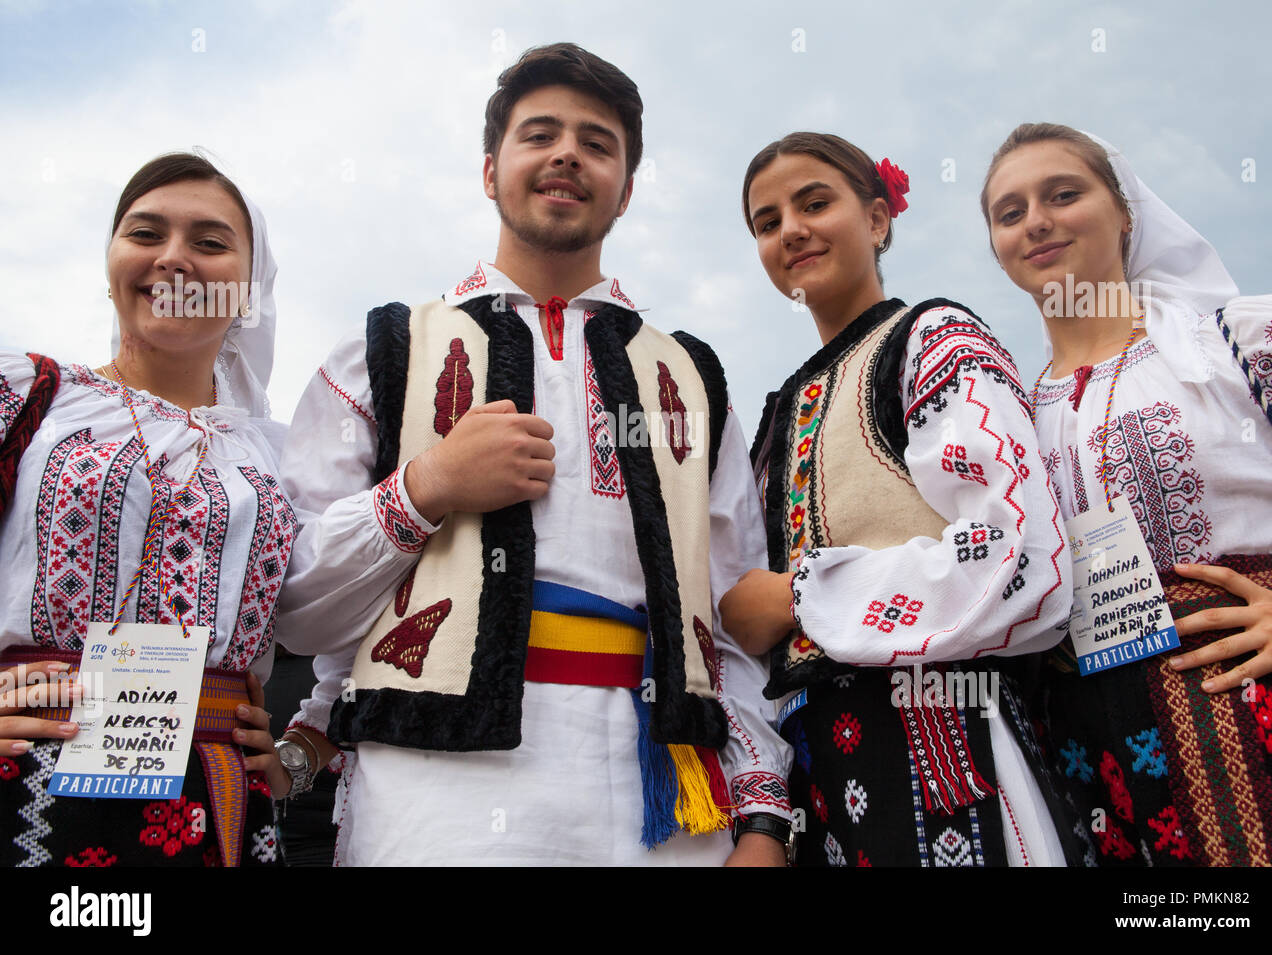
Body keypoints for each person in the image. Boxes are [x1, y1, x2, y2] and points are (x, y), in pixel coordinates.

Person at [273, 43, 793, 866]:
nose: (566, 155)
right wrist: (427, 487)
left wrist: (763, 815)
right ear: (491, 171)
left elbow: (728, 610)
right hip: (434, 793)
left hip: (662, 796)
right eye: (539, 134)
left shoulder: (690, 378)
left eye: (597, 143)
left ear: (624, 191)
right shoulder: (385, 351)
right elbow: (299, 605)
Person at [721, 132, 1075, 866]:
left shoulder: (933, 341)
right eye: (767, 221)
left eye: (815, 202)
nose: (791, 229)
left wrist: (796, 596)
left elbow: (1021, 558)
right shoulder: (777, 415)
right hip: (819, 770)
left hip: (946, 746)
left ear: (879, 220)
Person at [982, 122, 1272, 865]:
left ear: (1125, 211)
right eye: (1010, 211)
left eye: (1064, 194)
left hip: (1266, 716)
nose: (1037, 220)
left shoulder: (1244, 343)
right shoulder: (1016, 422)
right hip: (1106, 764)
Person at [0, 152, 293, 866]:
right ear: (110, 264)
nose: (173, 259)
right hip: (26, 784)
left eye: (210, 242)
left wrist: (306, 749)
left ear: (251, 291)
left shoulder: (283, 457)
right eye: (145, 233)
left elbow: (358, 608)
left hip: (222, 801)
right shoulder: (31, 398)